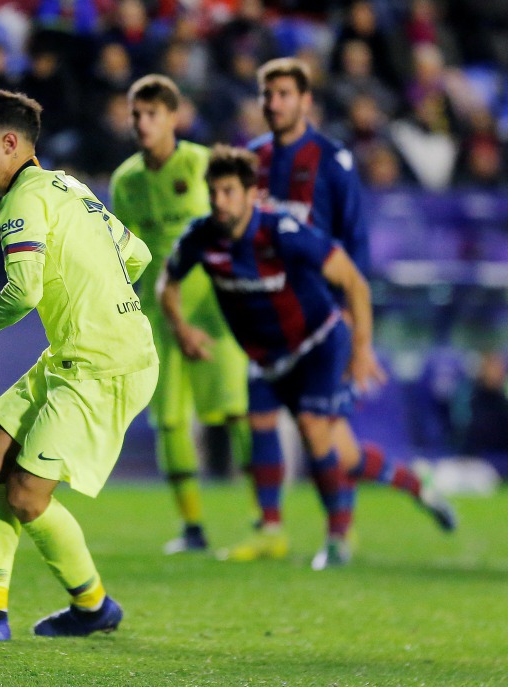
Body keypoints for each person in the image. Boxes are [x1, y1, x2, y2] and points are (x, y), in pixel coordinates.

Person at [0, 90, 158, 642]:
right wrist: (105, 300)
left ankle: (86, 606)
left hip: (103, 365)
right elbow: (138, 255)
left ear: (9, 143)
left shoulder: (21, 203)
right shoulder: (69, 187)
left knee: (27, 495)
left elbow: (24, 292)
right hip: (77, 354)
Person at [158, 145, 456, 570]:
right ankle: (273, 529)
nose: (219, 202)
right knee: (328, 450)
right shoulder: (201, 237)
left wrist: (362, 348)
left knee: (315, 432)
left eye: (228, 192)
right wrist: (181, 328)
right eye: (213, 192)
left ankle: (337, 539)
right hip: (266, 357)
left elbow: (353, 280)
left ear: (249, 194)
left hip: (317, 345)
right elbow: (167, 282)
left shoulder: (282, 230)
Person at [223, 56, 376, 561]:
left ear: (306, 100)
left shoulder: (333, 161)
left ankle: (345, 528)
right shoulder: (251, 159)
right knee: (259, 419)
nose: (274, 103)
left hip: (319, 321)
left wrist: (354, 323)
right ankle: (270, 528)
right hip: (265, 316)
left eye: (285, 94)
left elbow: (354, 243)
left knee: (324, 434)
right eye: (268, 94)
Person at [109, 75, 250, 554]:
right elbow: (125, 253)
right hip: (158, 311)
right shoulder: (126, 180)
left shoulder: (202, 163)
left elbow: (241, 218)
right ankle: (193, 529)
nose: (143, 123)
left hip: (212, 305)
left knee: (234, 411)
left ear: (174, 117)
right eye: (136, 114)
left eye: (152, 114)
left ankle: (264, 519)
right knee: (169, 421)